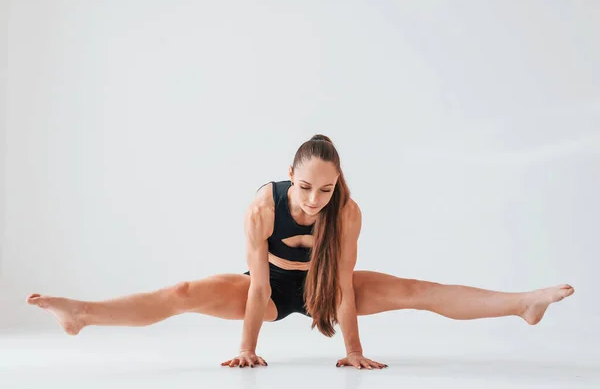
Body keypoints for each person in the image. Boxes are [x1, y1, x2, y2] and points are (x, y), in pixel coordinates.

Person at [26, 134, 575, 370]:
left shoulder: (347, 211)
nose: (314, 201)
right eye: (307, 187)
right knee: (184, 293)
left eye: (326, 189)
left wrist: (353, 349)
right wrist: (247, 347)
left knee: (415, 290)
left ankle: (523, 302)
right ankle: (82, 313)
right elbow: (259, 284)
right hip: (269, 289)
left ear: (338, 184)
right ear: (291, 176)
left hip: (324, 288)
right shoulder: (263, 204)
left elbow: (339, 284)